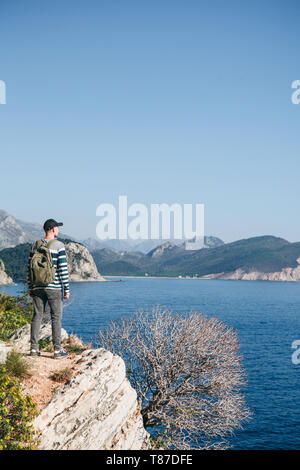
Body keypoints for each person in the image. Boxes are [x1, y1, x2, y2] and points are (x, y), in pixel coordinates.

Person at [27, 218, 70, 358]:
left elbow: (29, 268)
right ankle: (57, 350)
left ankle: (34, 349)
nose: (58, 230)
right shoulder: (58, 245)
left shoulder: (35, 245)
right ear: (52, 229)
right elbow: (63, 269)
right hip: (54, 288)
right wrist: (66, 289)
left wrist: (30, 287)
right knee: (56, 317)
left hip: (37, 287)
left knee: (37, 316)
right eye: (57, 227)